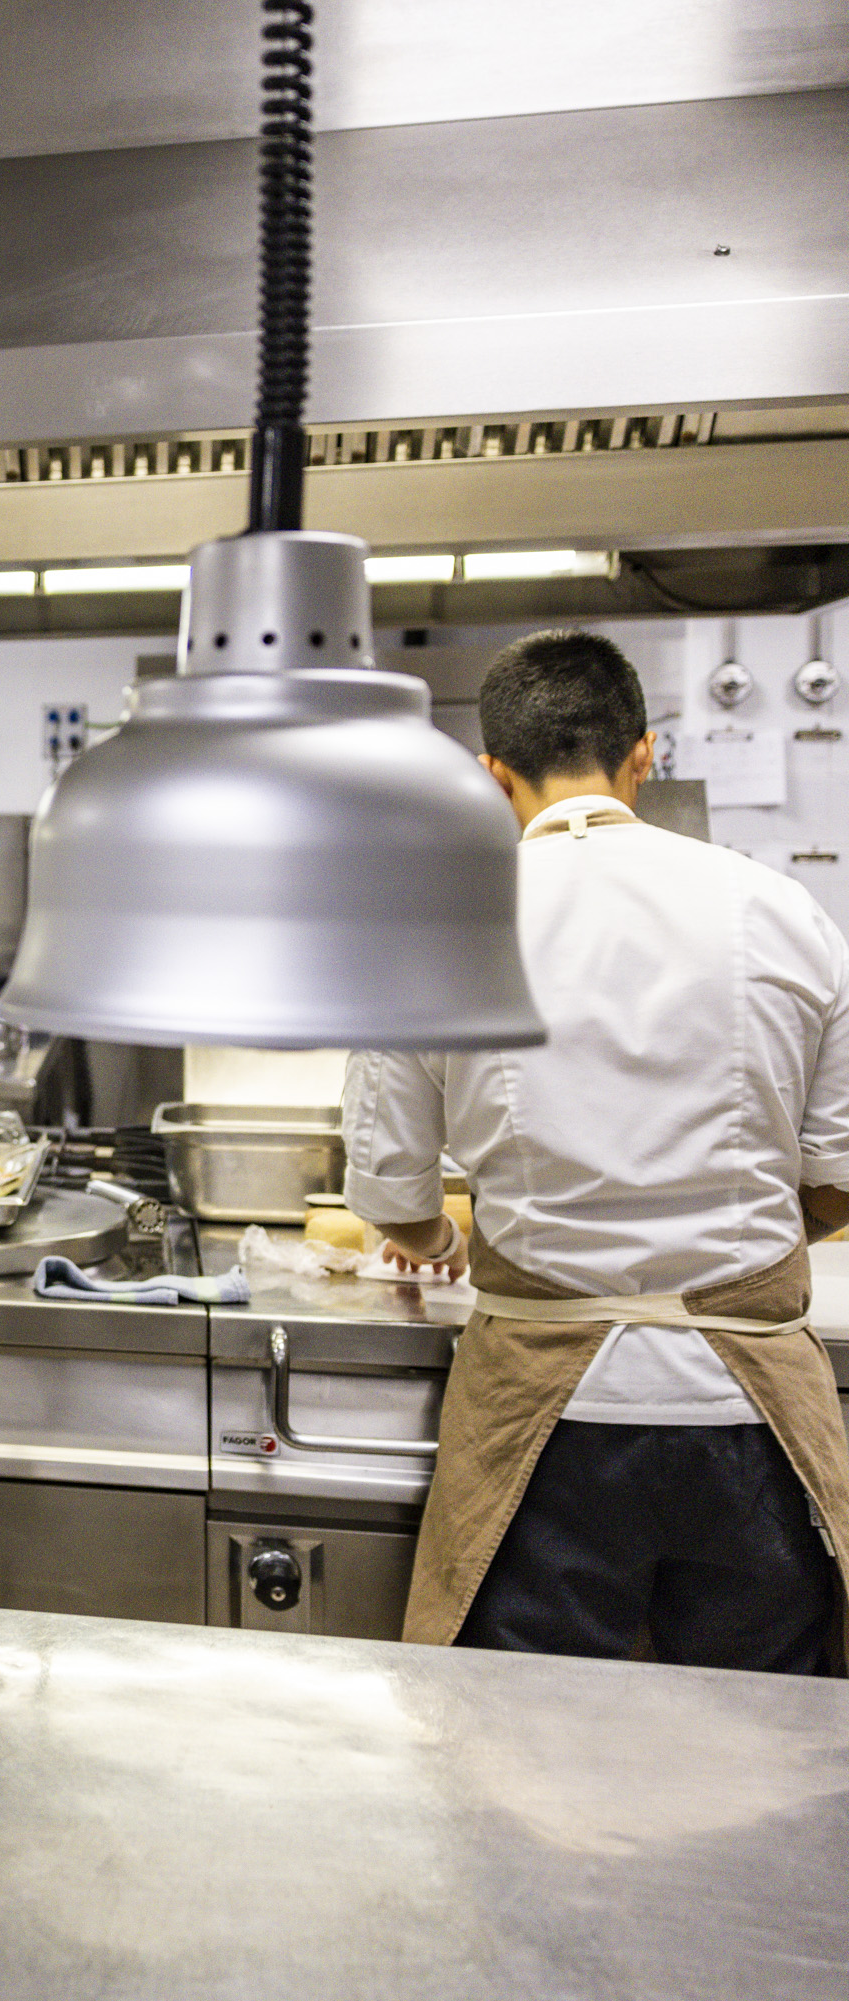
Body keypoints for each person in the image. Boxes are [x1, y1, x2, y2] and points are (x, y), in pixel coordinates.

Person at [346, 629, 849, 1671]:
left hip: (542, 1421)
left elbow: (391, 1200)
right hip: (749, 1415)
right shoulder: (784, 912)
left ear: (494, 774)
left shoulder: (437, 926)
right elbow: (838, 1185)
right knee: (761, 1767)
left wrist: (444, 1236)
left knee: (530, 1762)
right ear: (645, 755)